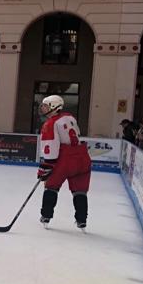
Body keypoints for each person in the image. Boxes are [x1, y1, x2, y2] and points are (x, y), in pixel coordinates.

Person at [37, 94, 92, 230]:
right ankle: (81, 219)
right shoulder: (69, 117)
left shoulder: (50, 124)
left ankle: (46, 216)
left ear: (54, 107)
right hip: (82, 157)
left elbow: (51, 148)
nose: (42, 108)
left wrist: (45, 168)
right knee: (80, 190)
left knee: (51, 186)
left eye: (46, 105)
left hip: (65, 159)